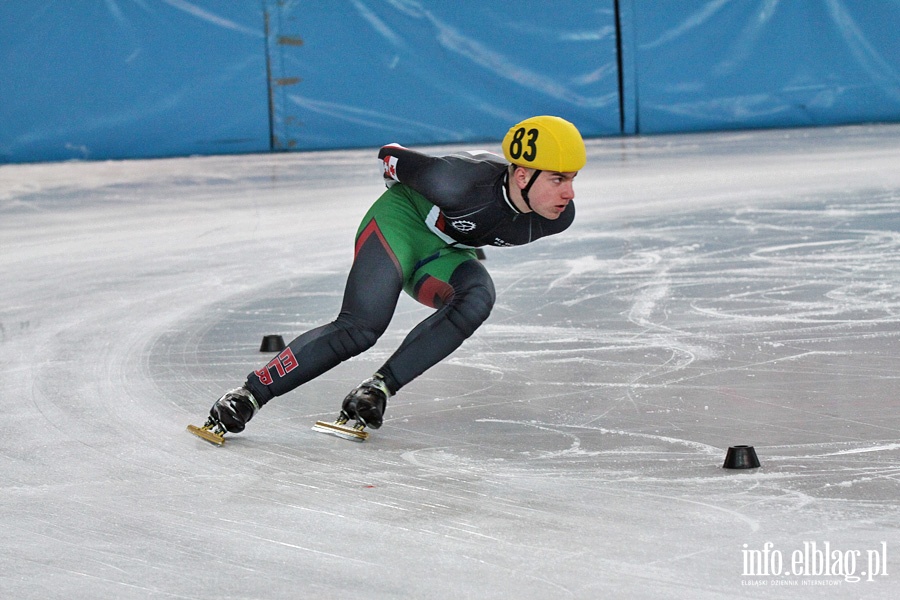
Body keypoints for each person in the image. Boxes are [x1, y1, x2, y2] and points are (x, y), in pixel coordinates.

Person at [201, 115, 586, 439]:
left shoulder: (555, 218)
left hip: (444, 249)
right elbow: (390, 156)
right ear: (522, 176)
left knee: (478, 297)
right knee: (361, 328)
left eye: (573, 178)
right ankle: (249, 395)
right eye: (558, 179)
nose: (569, 192)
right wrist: (414, 195)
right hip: (398, 224)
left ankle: (376, 389)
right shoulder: (455, 181)